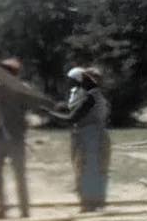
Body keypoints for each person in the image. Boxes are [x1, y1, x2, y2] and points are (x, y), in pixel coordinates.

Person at [46, 67, 111, 212]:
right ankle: (96, 203)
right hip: (95, 134)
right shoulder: (96, 96)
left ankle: (88, 205)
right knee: (95, 170)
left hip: (89, 135)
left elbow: (72, 118)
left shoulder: (91, 97)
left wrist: (49, 113)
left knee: (85, 170)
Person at [0, 58, 30, 218]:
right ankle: (1, 206)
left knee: (19, 174)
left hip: (16, 137)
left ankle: (24, 209)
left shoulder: (23, 89)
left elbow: (29, 109)